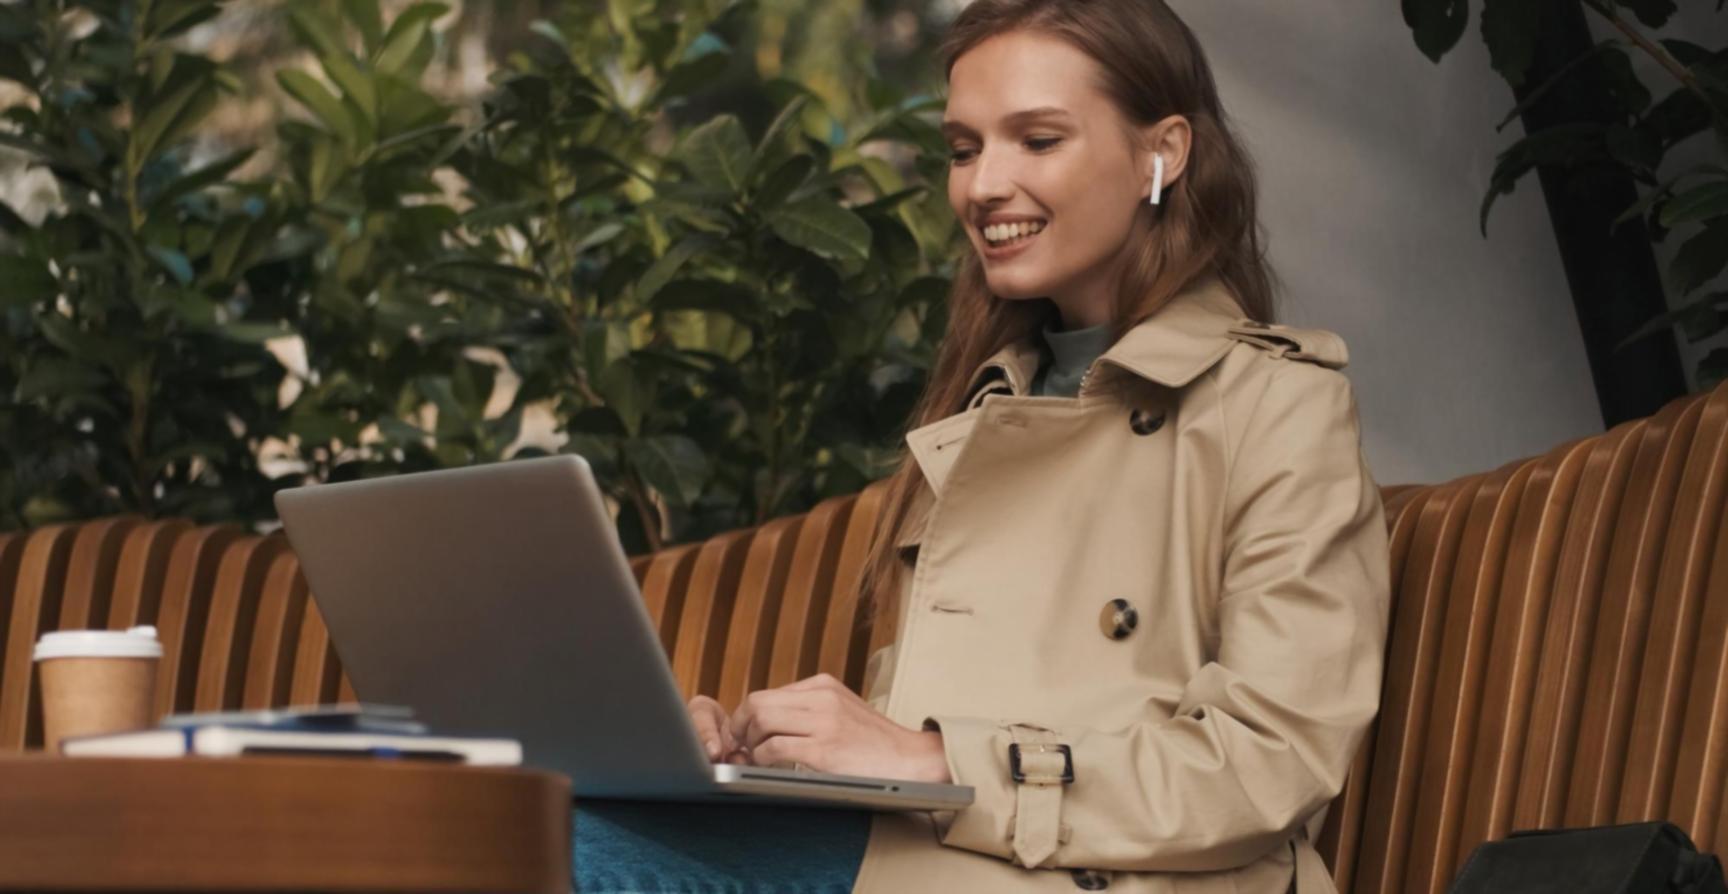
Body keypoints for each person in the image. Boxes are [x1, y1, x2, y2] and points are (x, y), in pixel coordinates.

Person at [574, 0, 1390, 892]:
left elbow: (1272, 759)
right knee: (536, 819)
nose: (983, 185)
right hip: (961, 858)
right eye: (964, 150)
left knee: (551, 848)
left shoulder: (1278, 405)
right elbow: (943, 733)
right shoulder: (985, 404)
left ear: (1163, 152)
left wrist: (927, 760)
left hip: (1135, 875)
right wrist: (759, 759)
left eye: (1037, 141)